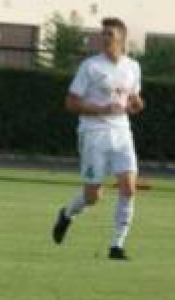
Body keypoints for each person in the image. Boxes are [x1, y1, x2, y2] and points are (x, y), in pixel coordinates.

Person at [52, 17, 144, 260]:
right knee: (93, 196)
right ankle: (67, 214)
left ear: (122, 39)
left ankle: (117, 246)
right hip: (94, 133)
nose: (104, 39)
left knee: (129, 187)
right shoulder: (90, 66)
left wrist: (136, 104)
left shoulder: (133, 67)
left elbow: (133, 98)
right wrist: (101, 109)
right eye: (102, 34)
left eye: (109, 35)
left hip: (122, 131)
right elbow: (71, 102)